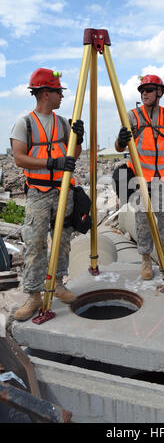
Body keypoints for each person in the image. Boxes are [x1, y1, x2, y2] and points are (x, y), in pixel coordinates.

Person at [11, 68, 84, 321]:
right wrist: (51, 163)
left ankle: (59, 283)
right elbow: (19, 158)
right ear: (44, 93)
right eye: (57, 91)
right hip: (39, 194)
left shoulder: (64, 123)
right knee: (35, 244)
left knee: (63, 241)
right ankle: (33, 295)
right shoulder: (25, 123)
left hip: (64, 191)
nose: (61, 96)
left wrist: (79, 141)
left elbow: (74, 156)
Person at [115, 74, 164, 281]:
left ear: (160, 92)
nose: (144, 93)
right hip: (140, 179)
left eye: (148, 90)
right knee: (143, 222)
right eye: (142, 90)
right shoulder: (133, 116)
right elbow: (119, 147)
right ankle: (146, 260)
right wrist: (121, 140)